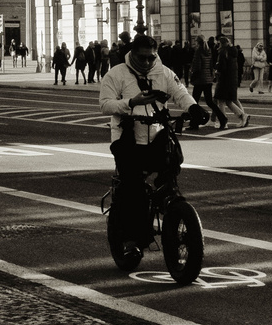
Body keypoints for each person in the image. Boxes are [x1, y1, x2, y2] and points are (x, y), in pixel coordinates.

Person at [98, 34, 204, 265]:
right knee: (132, 186)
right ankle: (130, 241)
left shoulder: (163, 71)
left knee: (172, 165)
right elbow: (105, 104)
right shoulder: (116, 74)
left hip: (156, 133)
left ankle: (174, 206)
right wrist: (131, 103)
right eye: (142, 58)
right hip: (127, 137)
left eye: (151, 58)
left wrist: (194, 108)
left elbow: (180, 92)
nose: (147, 63)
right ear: (132, 54)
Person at [188, 34, 226, 128]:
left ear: (197, 42)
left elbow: (197, 67)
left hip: (200, 80)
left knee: (194, 101)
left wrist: (192, 75)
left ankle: (194, 123)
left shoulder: (198, 51)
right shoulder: (208, 50)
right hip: (207, 79)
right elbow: (210, 65)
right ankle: (222, 118)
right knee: (209, 102)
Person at [214, 35, 249, 127]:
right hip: (232, 78)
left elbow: (222, 67)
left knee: (221, 100)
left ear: (221, 44)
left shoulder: (223, 52)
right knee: (229, 101)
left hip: (224, 79)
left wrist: (217, 69)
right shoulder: (233, 52)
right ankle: (242, 115)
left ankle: (223, 120)